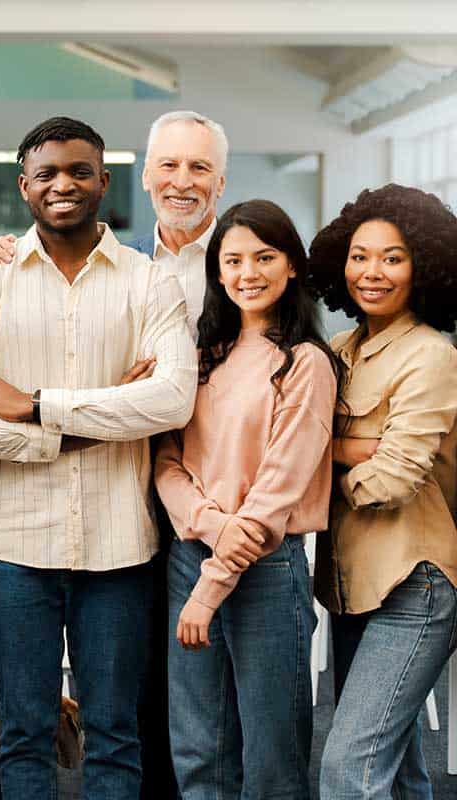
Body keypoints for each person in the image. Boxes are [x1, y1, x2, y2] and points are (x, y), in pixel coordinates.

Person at [0, 116, 196, 799]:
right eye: (46, 173)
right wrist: (92, 422)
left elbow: (170, 402)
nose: (63, 185)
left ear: (104, 182)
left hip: (120, 551)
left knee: (114, 730)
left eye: (80, 171)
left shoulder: (149, 282)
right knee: (24, 731)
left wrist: (37, 404)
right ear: (24, 187)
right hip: (17, 550)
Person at [155, 199, 337, 799]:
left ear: (291, 267)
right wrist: (208, 525)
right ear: (217, 272)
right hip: (192, 556)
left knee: (270, 758)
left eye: (264, 256)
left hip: (264, 567)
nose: (247, 272)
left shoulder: (305, 364)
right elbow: (167, 462)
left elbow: (274, 494)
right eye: (232, 260)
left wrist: (212, 585)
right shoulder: (203, 355)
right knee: (198, 748)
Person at [307, 184, 457, 799]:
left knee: (350, 768)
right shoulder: (337, 351)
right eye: (360, 255)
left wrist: (311, 473)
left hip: (413, 583)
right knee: (397, 772)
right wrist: (347, 452)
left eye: (393, 257)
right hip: (349, 585)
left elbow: (394, 477)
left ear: (423, 266)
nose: (372, 272)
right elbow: (279, 442)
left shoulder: (430, 355)